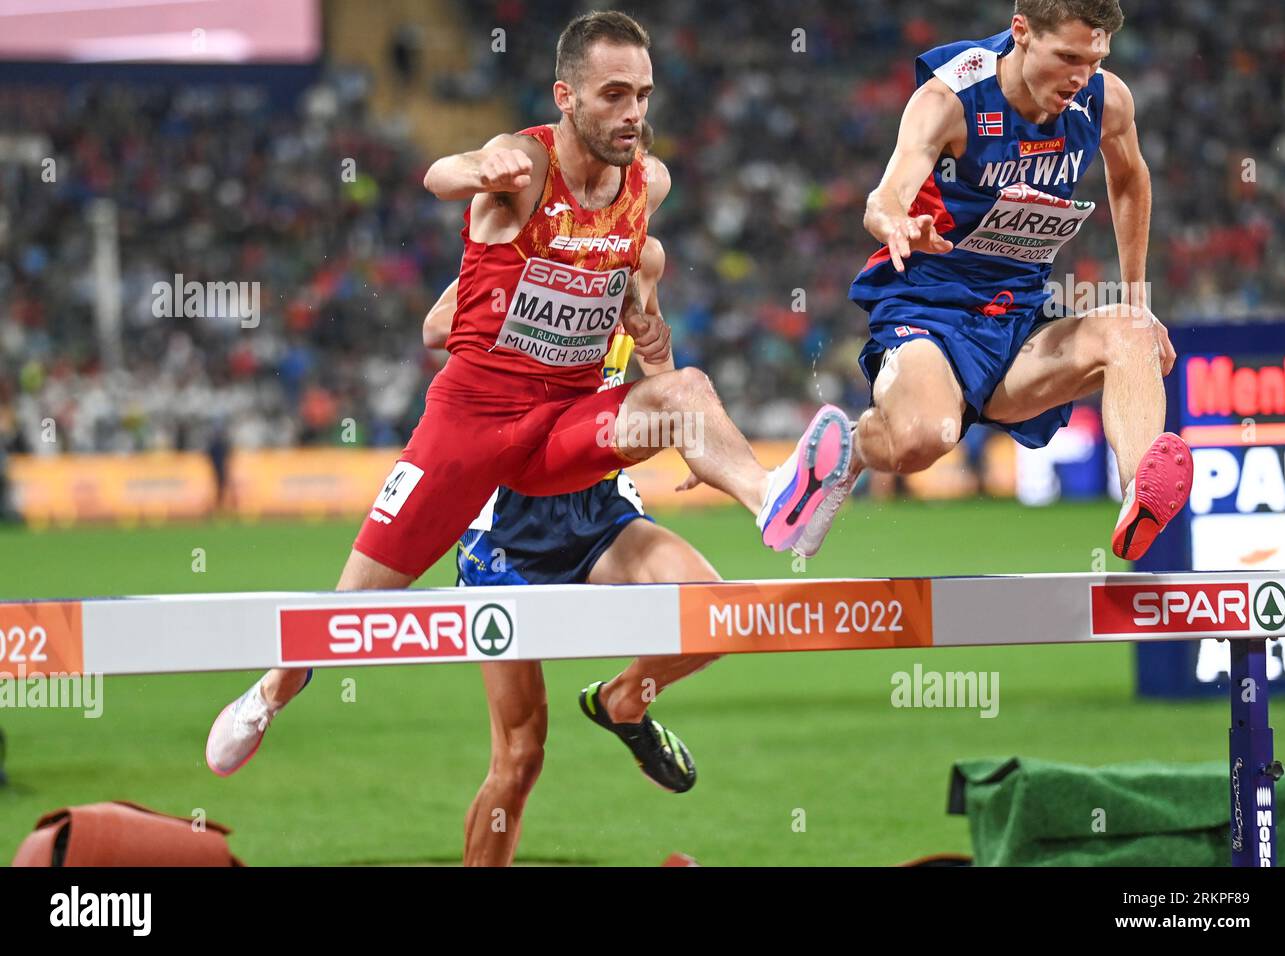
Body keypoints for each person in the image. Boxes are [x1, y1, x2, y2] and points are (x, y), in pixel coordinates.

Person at [206, 11, 850, 780]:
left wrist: (670, 386)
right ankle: (275, 688)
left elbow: (652, 344)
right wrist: (479, 176)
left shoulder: (648, 193)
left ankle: (776, 502)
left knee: (687, 390)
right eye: (614, 95)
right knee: (355, 607)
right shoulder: (524, 162)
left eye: (643, 94)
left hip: (567, 430)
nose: (634, 113)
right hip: (472, 426)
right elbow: (439, 177)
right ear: (566, 97)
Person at [795, 0, 1190, 562]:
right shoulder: (950, 97)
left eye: (1096, 60)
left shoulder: (1105, 100)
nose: (1081, 77)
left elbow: (1130, 179)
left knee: (1131, 332)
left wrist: (1136, 297)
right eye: (1068, 57)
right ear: (1021, 31)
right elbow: (882, 199)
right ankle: (847, 451)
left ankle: (1139, 498)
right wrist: (898, 223)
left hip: (1017, 322)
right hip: (929, 309)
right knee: (926, 437)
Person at [427, 230, 721, 865]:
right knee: (520, 756)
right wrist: (545, 296)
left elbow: (655, 356)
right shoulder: (520, 243)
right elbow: (434, 328)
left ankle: (623, 699)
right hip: (507, 525)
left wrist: (689, 432)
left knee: (713, 613)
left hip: (596, 505)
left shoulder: (641, 255)